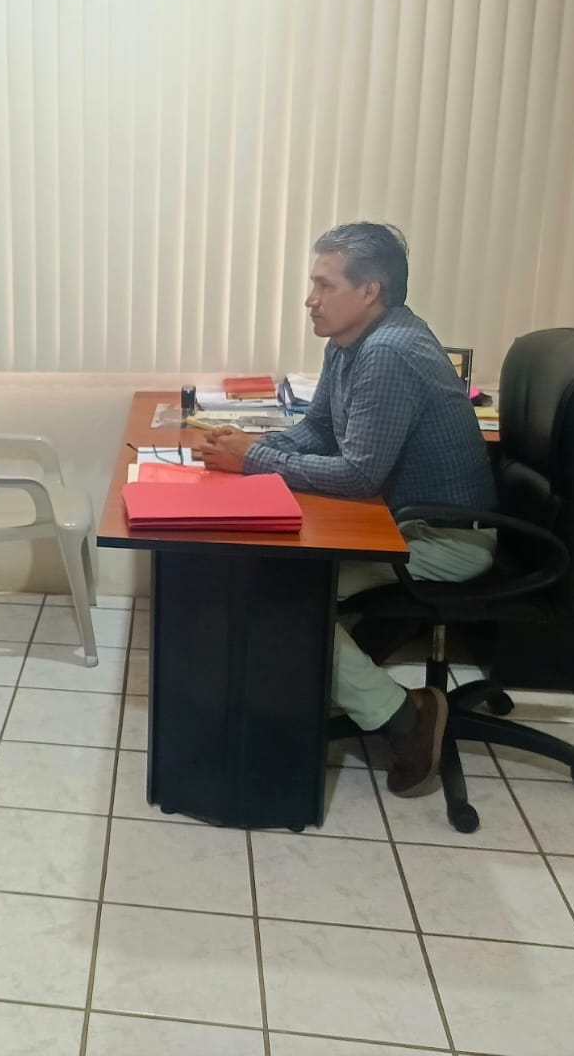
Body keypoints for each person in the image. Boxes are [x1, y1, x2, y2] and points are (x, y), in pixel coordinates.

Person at [195, 222, 496, 797]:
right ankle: (334, 687)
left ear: (369, 291)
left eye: (324, 285)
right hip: (401, 524)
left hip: (445, 539)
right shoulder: (350, 342)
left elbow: (359, 475)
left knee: (278, 597)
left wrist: (253, 458)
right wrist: (249, 448)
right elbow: (319, 430)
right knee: (269, 578)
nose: (310, 299)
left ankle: (406, 718)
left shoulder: (388, 353)